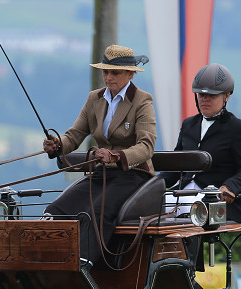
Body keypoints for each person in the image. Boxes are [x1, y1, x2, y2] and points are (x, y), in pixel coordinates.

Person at [43, 44, 157, 269]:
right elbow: (74, 135)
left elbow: (146, 146)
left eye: (115, 72)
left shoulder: (142, 101)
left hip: (133, 175)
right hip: (101, 173)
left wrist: (115, 156)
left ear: (130, 73)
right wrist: (58, 145)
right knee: (56, 210)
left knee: (95, 212)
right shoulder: (94, 99)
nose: (109, 77)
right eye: (105, 72)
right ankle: (48, 260)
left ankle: (83, 265)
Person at [160, 63, 241, 223]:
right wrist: (151, 185)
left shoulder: (238, 128)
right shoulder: (188, 125)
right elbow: (176, 166)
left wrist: (230, 187)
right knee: (146, 207)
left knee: (188, 208)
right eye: (201, 95)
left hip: (215, 198)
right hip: (183, 193)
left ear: (226, 96)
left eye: (211, 96)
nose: (205, 99)